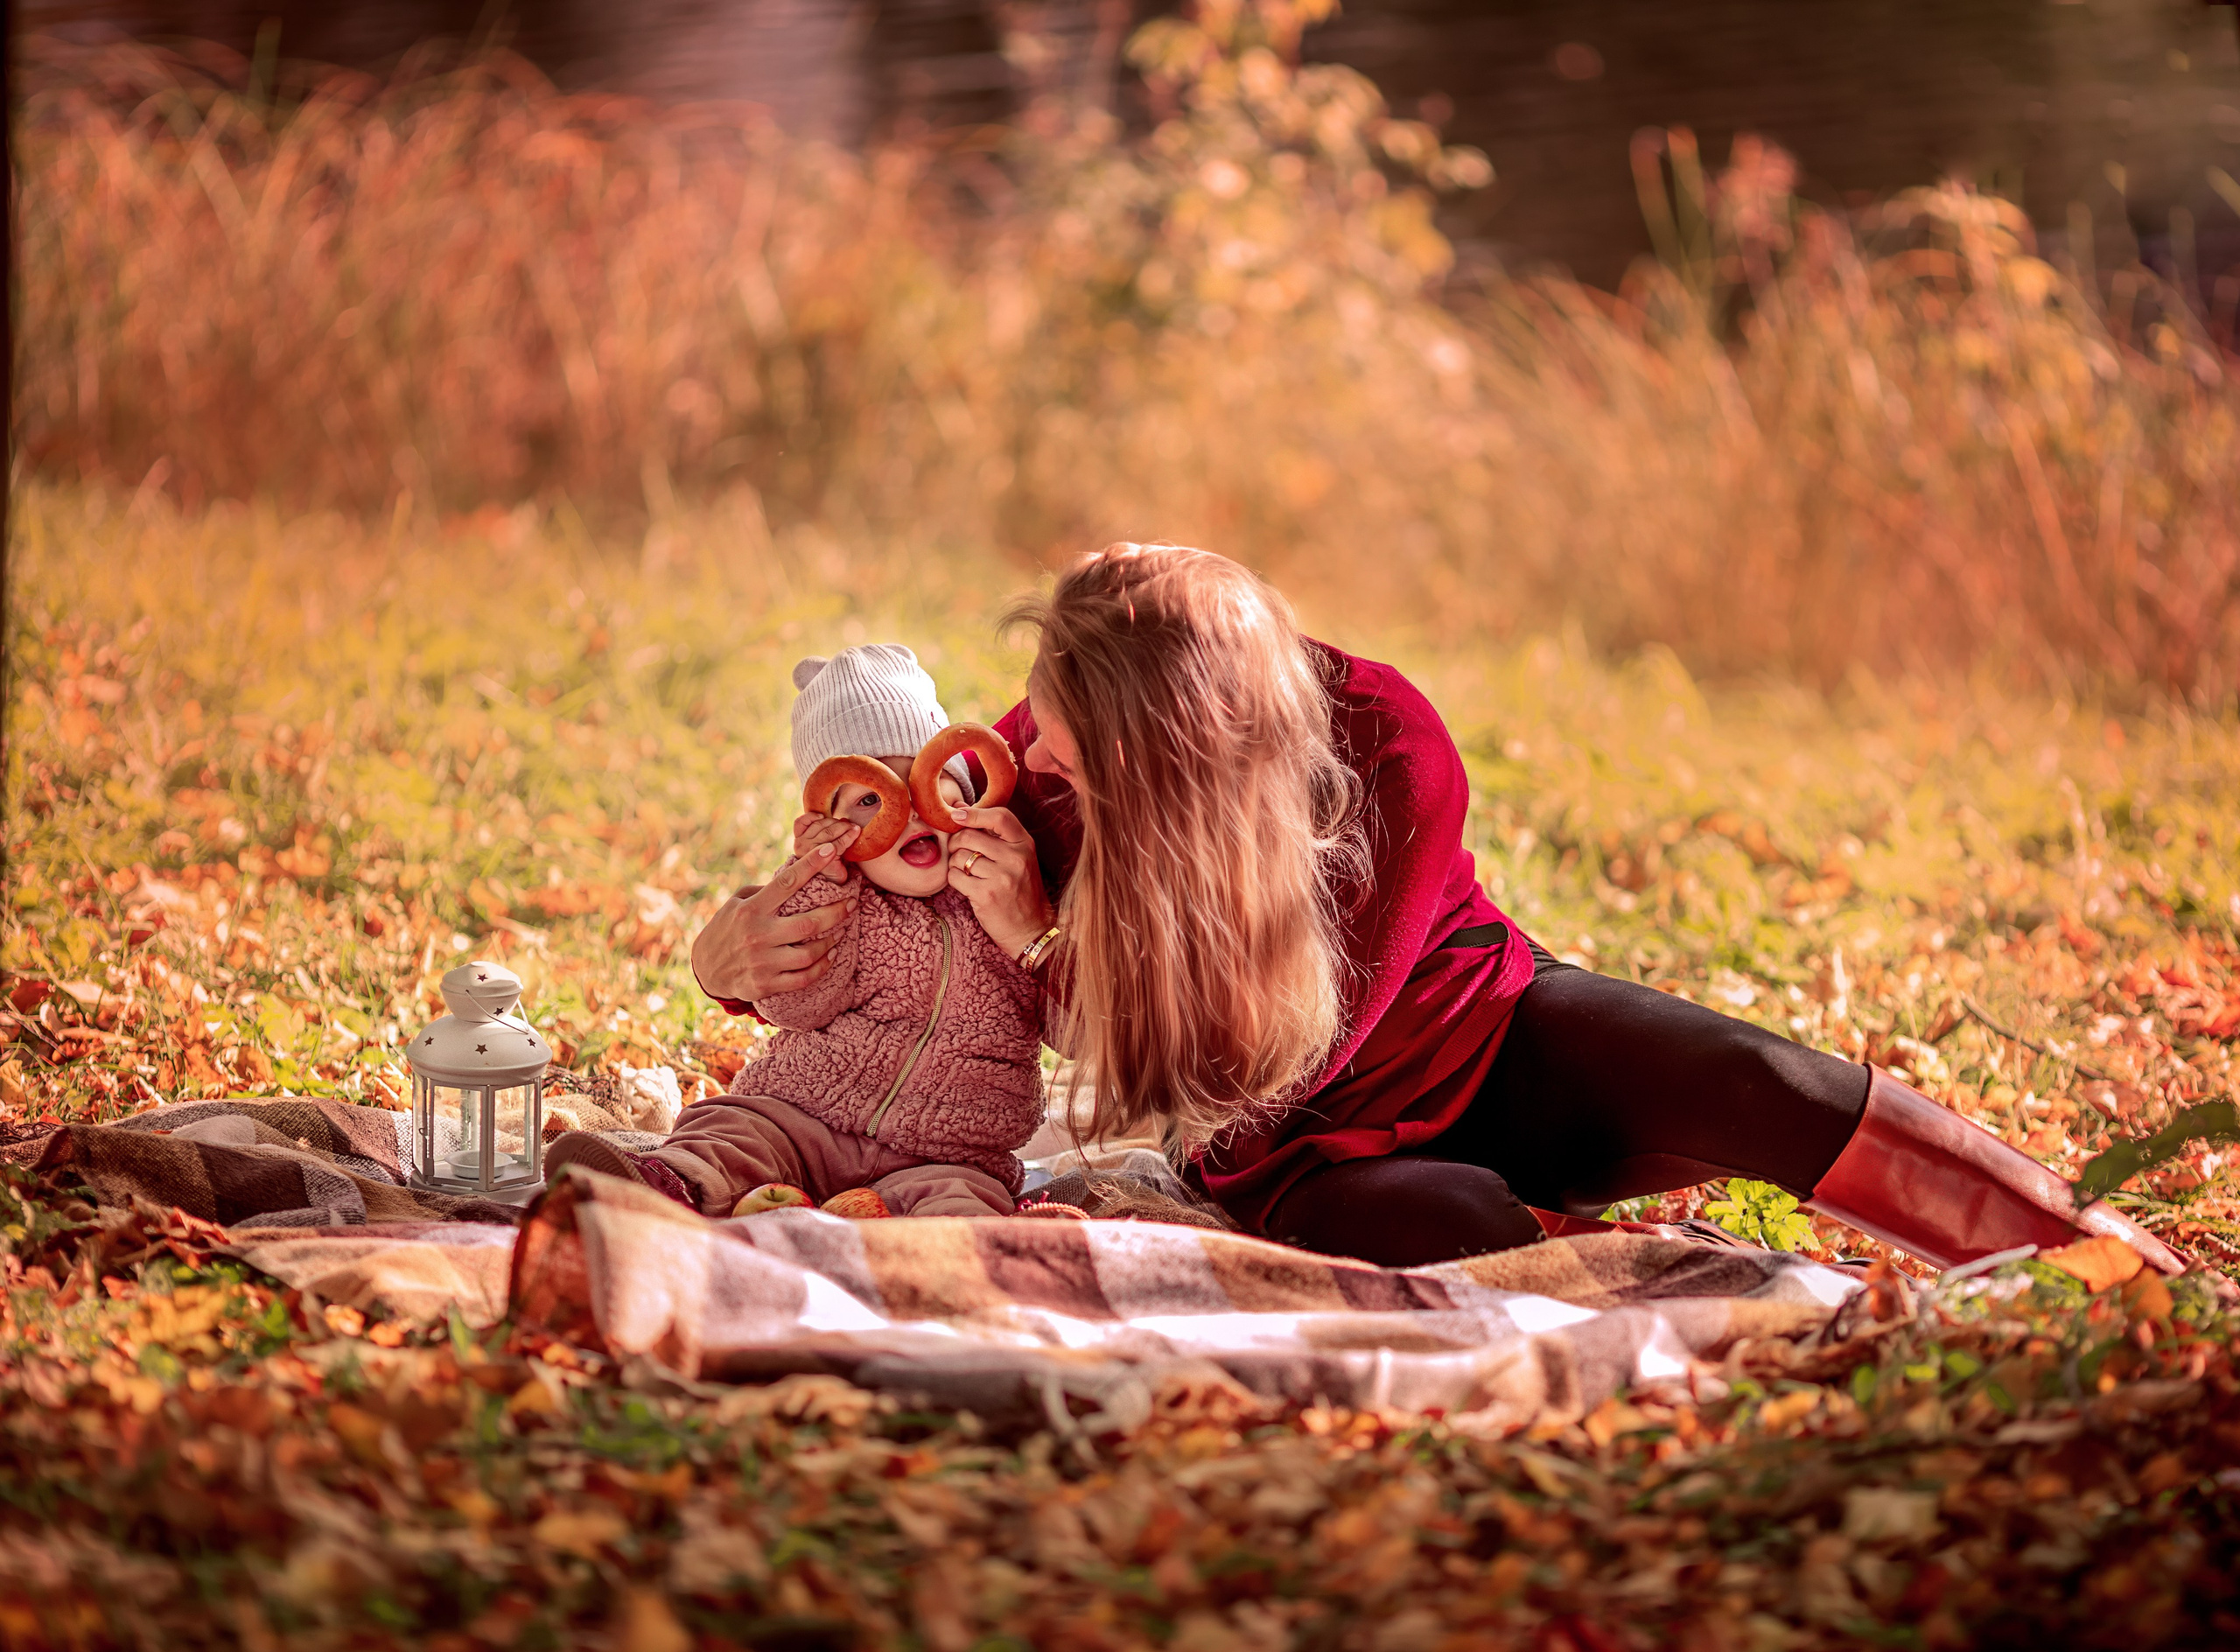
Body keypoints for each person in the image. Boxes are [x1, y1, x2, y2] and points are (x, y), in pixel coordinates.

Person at [690, 546, 2188, 1276]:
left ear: (1190, 751)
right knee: (1453, 1223)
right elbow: (880, 905)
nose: (1035, 748)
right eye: (1042, 716)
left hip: (1482, 1036)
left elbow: (1297, 1040)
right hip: (1284, 1150)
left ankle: (2096, 1261)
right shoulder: (1038, 771)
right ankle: (1565, 1243)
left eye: (1074, 730)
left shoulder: (1385, 742)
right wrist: (736, 949)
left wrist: (1054, 947)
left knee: (1758, 1076)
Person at [554, 645, 1061, 1220]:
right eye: (871, 798)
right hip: (801, 1114)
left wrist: (1032, 934)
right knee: (730, 1130)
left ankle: (929, 1258)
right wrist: (822, 882)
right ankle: (659, 1186)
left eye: (928, 780)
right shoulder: (841, 899)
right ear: (831, 824)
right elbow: (795, 1004)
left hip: (949, 1151)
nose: (911, 811)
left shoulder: (1011, 889)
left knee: (963, 1204)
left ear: (965, 788)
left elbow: (1075, 1028)